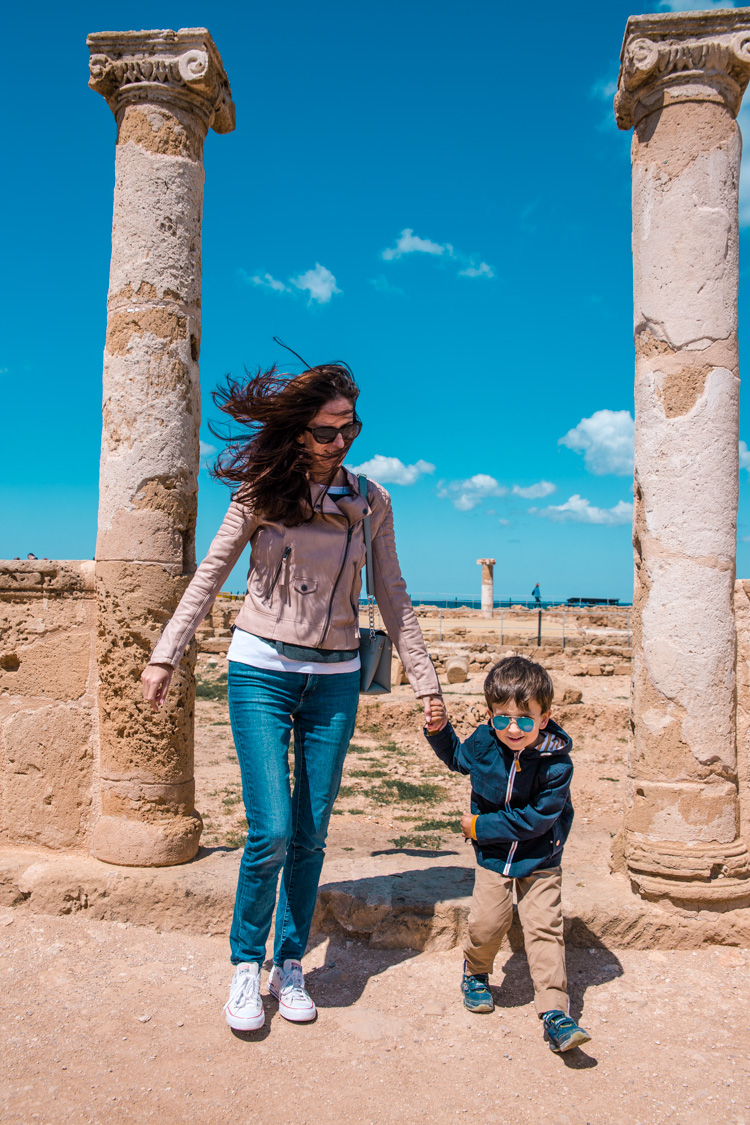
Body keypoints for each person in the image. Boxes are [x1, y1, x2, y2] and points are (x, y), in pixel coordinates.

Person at [141, 359, 445, 1032]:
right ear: (299, 430)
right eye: (327, 431)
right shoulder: (261, 490)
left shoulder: (372, 501)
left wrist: (427, 684)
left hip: (336, 679)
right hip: (261, 669)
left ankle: (289, 961)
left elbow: (394, 596)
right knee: (272, 828)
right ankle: (245, 964)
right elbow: (211, 572)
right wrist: (167, 652)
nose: (341, 443)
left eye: (350, 429)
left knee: (310, 835)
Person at [423, 655, 590, 1053]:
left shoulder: (557, 766)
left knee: (545, 929)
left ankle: (555, 1011)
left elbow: (535, 821)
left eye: (524, 719)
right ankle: (476, 973)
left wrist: (479, 827)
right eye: (502, 718)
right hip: (495, 859)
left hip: (541, 858)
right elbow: (457, 759)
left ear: (544, 718)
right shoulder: (484, 743)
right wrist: (440, 730)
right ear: (490, 715)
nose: (512, 728)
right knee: (486, 923)